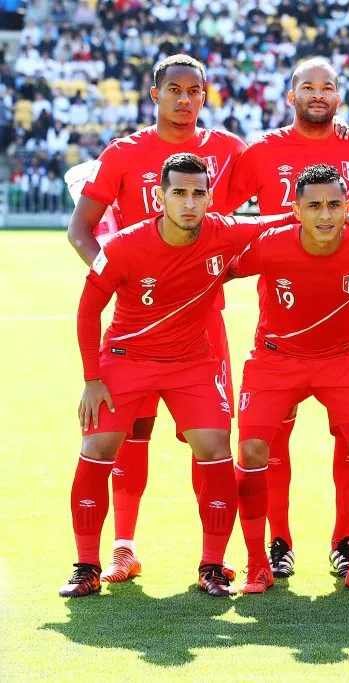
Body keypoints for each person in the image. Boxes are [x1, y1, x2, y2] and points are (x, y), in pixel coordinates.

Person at [61, 153, 294, 598]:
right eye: (180, 193)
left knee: (214, 448)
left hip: (191, 362)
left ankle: (211, 566)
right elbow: (89, 309)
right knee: (97, 446)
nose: (190, 203)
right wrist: (93, 379)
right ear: (159, 196)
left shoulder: (222, 231)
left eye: (198, 193)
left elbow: (279, 218)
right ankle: (87, 566)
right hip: (126, 359)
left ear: (209, 197)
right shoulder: (125, 245)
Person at [65, 54, 246, 585]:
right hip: (136, 325)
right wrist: (120, 274)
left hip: (200, 324)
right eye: (175, 90)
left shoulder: (228, 150)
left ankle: (212, 560)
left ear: (205, 95)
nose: (185, 99)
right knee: (130, 433)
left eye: (195, 90)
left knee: (208, 439)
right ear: (155, 94)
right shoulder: (125, 152)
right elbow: (82, 230)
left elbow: (272, 207)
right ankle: (121, 547)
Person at [221, 57, 349, 581]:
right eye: (307, 86)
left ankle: (345, 538)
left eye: (327, 87)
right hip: (281, 324)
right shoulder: (262, 151)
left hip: (346, 325)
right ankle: (278, 539)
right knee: (270, 442)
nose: (318, 94)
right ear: (290, 96)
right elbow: (219, 214)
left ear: (339, 96)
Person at [230, 164, 349, 596]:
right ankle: (258, 564)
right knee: (254, 448)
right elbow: (221, 271)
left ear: (348, 207)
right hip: (276, 359)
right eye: (314, 205)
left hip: (343, 360)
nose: (325, 215)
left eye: (335, 205)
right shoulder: (270, 245)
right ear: (295, 209)